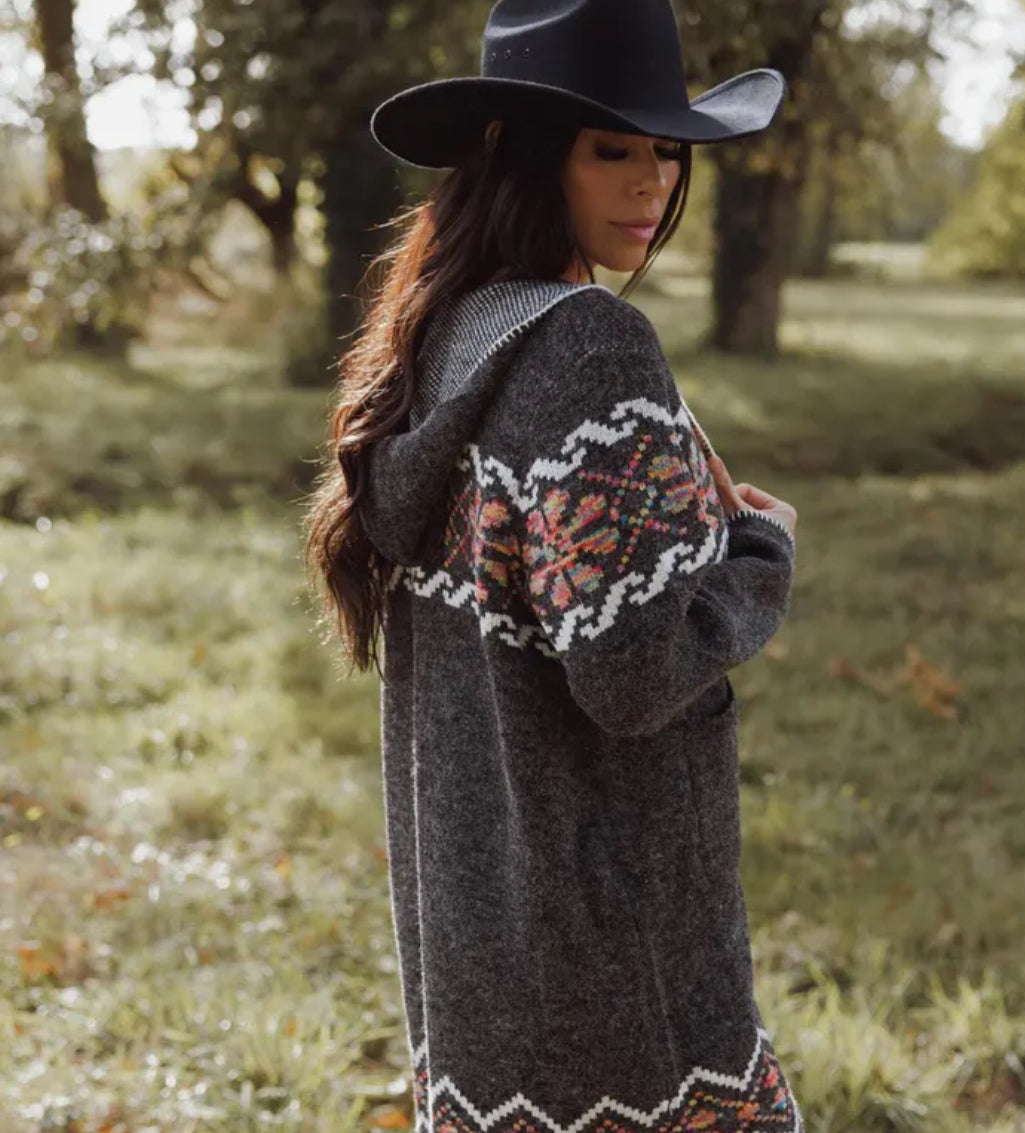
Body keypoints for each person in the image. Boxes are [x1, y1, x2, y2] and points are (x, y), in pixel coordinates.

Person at [304, 1, 803, 1130]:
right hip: (609, 935)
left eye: (667, 153)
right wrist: (759, 555)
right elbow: (634, 667)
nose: (650, 185)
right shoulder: (587, 344)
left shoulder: (446, 333)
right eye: (610, 148)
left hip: (480, 936)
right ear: (531, 157)